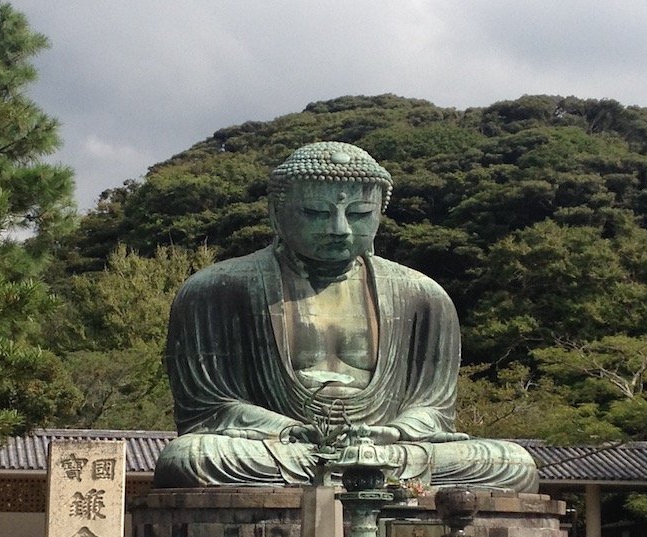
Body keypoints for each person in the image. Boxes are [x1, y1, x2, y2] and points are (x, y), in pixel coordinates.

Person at [154, 141, 538, 492]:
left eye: (358, 214)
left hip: (390, 450)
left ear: (379, 215)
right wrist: (289, 430)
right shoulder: (217, 289)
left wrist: (393, 433)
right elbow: (210, 408)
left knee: (512, 463)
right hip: (281, 448)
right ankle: (353, 472)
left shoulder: (422, 295)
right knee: (191, 457)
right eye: (317, 213)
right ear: (276, 213)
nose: (339, 229)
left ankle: (360, 469)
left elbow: (434, 409)